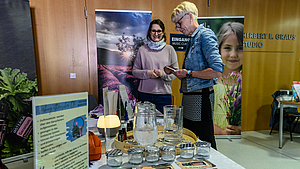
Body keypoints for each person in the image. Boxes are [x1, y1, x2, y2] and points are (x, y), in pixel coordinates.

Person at [167, 1, 224, 149]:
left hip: (201, 98)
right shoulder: (192, 39)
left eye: (179, 23)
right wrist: (182, 74)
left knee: (206, 142)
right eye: (176, 25)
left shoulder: (205, 35)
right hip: (190, 97)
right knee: (190, 138)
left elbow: (217, 70)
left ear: (190, 17)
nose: (178, 28)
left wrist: (189, 73)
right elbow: (193, 74)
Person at [132, 19, 178, 113]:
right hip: (144, 95)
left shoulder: (170, 49)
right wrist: (148, 73)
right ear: (149, 32)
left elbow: (175, 73)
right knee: (144, 126)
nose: (156, 33)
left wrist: (162, 74)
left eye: (159, 31)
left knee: (163, 126)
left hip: (163, 97)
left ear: (163, 32)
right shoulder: (142, 50)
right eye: (153, 30)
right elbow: (135, 71)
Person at [213, 22, 244, 135]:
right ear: (219, 49)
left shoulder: (250, 83)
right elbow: (202, 117)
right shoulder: (210, 81)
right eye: (227, 48)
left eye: (240, 48)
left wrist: (242, 129)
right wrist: (221, 132)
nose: (233, 54)